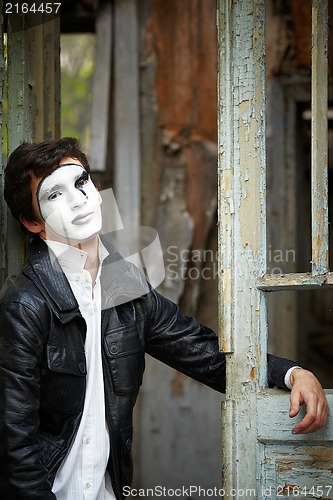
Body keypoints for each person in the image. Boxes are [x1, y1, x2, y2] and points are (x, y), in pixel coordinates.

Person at [0, 138, 328, 500]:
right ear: (32, 222)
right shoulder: (24, 303)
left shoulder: (126, 289)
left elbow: (203, 353)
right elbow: (16, 443)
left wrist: (292, 373)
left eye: (81, 182)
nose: (78, 199)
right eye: (54, 195)